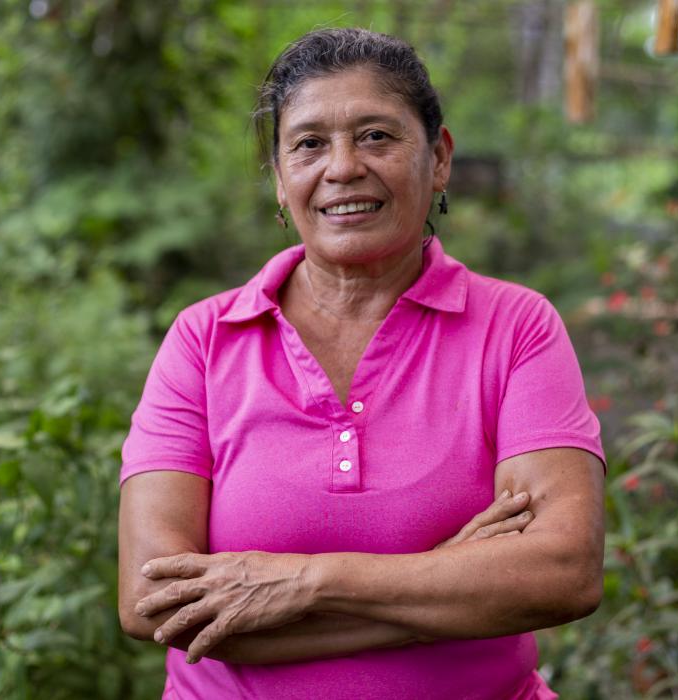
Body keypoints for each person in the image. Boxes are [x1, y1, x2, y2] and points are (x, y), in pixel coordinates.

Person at [117, 27, 605, 700]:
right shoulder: (204, 341)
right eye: (310, 143)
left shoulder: (515, 328)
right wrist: (446, 582)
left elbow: (563, 572)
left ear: (438, 159)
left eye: (376, 136)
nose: (342, 167)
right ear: (280, 182)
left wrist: (308, 583)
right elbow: (156, 599)